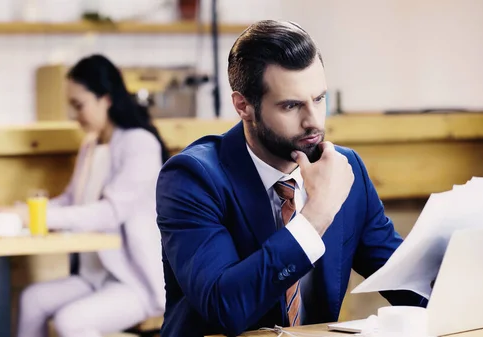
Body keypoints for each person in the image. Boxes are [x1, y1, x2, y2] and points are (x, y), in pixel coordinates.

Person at [155, 20, 427, 337]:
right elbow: (226, 306)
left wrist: (459, 280)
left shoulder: (343, 167)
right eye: (291, 105)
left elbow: (405, 280)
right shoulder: (193, 177)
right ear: (243, 106)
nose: (313, 121)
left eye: (319, 99)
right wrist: (317, 215)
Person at [16, 54, 168, 337]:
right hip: (94, 275)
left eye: (79, 105)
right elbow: (71, 200)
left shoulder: (139, 144)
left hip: (133, 280)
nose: (75, 116)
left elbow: (110, 212)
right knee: (32, 300)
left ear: (106, 99)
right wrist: (23, 212)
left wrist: (41, 216)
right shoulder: (91, 145)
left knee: (70, 322)